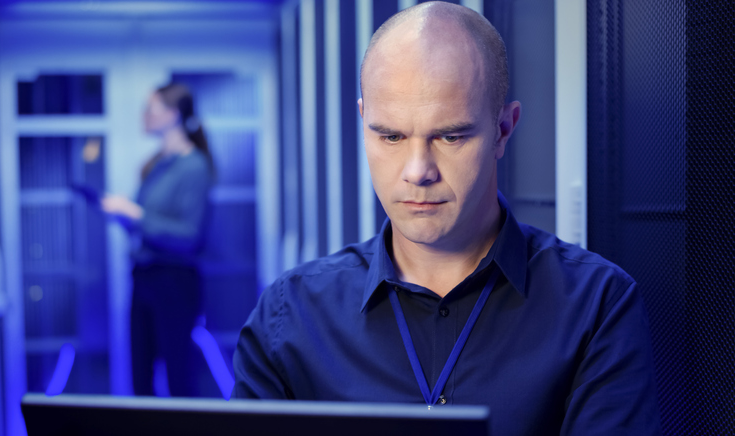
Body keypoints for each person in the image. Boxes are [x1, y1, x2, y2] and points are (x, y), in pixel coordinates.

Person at [232, 2, 661, 435]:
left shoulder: (595, 305)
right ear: (364, 122)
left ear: (503, 130)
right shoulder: (289, 316)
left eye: (450, 136)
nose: (418, 171)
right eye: (391, 136)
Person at [102, 83, 215, 397]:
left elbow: (190, 236)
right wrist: (125, 217)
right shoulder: (156, 164)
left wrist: (136, 216)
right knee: (140, 380)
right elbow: (149, 225)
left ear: (174, 114)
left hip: (174, 283)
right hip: (144, 278)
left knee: (179, 379)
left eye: (151, 108)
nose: (145, 115)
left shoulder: (194, 166)